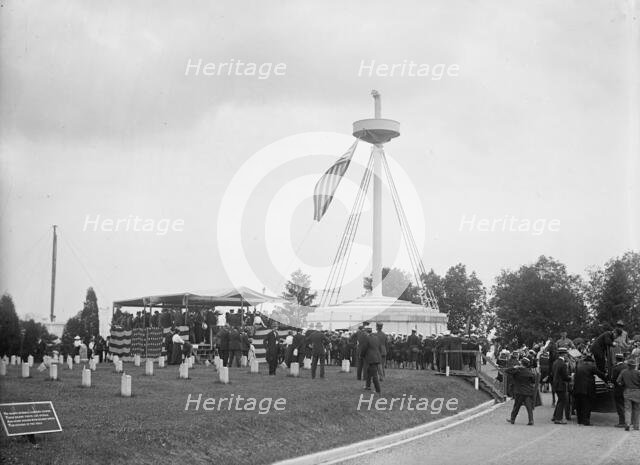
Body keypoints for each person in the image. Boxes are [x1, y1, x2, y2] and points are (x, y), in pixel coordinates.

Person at [573, 355, 606, 426]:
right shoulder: (591, 367)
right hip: (587, 390)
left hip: (577, 389)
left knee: (579, 405)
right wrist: (607, 380)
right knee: (587, 405)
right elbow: (600, 374)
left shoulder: (578, 366)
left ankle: (579, 421)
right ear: (590, 362)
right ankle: (586, 421)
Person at [505, 357, 536, 425]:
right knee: (529, 407)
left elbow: (507, 371)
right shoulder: (529, 372)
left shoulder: (517, 370)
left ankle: (512, 419)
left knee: (516, 406)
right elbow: (533, 381)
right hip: (527, 391)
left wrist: (515, 367)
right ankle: (531, 420)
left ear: (521, 363)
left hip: (519, 391)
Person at [617, 358, 640, 431]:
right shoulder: (638, 372)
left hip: (627, 391)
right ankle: (636, 426)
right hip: (637, 392)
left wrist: (623, 384)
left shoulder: (624, 372)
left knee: (627, 409)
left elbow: (618, 381)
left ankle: (627, 424)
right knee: (636, 409)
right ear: (634, 366)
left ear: (628, 365)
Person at [551, 347, 572, 424]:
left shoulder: (555, 362)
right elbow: (565, 377)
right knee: (562, 401)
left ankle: (554, 416)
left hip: (556, 384)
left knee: (560, 400)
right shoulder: (563, 364)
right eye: (566, 354)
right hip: (561, 385)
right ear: (564, 354)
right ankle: (558, 419)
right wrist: (571, 377)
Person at [360, 327, 382, 394]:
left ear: (366, 332)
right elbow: (379, 347)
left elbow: (364, 348)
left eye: (364, 332)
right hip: (377, 356)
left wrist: (361, 355)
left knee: (374, 374)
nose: (364, 333)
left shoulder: (367, 338)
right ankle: (368, 386)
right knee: (369, 371)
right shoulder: (376, 337)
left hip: (371, 358)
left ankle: (378, 390)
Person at [611, 353, 628, 427]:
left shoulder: (616, 368)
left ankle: (622, 422)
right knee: (626, 405)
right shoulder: (627, 367)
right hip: (627, 389)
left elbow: (614, 379)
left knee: (619, 405)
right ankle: (628, 421)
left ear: (616, 359)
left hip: (618, 389)